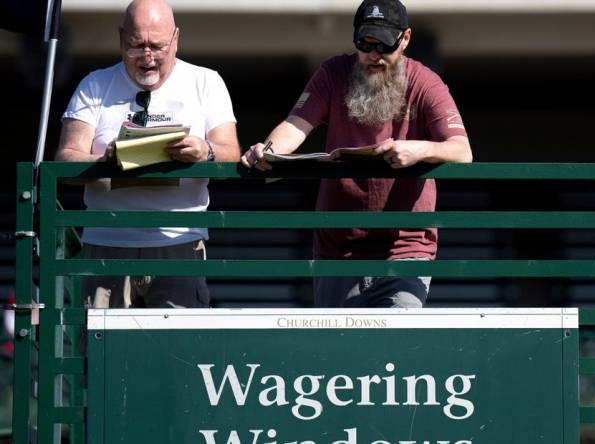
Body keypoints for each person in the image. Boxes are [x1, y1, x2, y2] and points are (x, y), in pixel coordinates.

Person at [242, 0, 472, 308]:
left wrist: (418, 149)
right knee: (337, 352)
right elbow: (294, 127)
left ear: (405, 39)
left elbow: (462, 150)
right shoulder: (333, 73)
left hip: (403, 248)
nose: (374, 55)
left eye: (384, 45)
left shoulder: (425, 82)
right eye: (365, 44)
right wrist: (265, 152)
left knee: (397, 350)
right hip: (337, 249)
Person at [55, 0, 240, 309]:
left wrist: (203, 150)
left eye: (158, 46)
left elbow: (232, 153)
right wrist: (105, 164)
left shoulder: (206, 82)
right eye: (135, 45)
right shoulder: (95, 84)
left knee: (180, 352)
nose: (147, 57)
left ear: (176, 39)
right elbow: (65, 159)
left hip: (179, 240)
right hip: (107, 243)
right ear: (120, 38)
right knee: (100, 353)